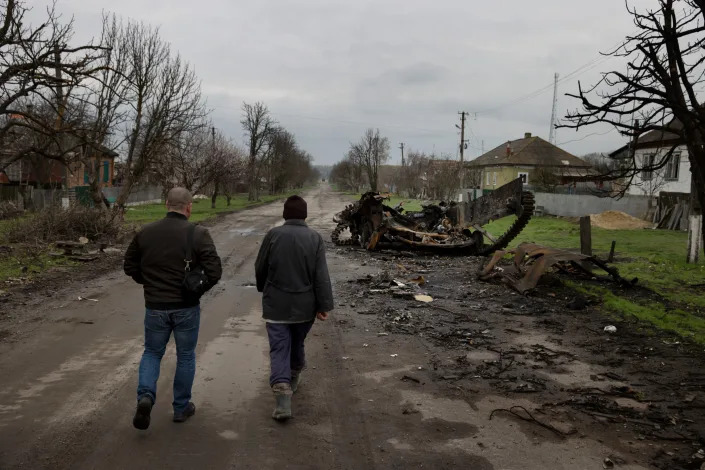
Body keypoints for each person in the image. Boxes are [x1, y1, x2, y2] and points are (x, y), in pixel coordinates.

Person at [124, 187, 222, 430]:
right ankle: (180, 408)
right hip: (186, 307)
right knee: (185, 355)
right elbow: (215, 271)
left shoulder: (145, 232)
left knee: (152, 353)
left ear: (166, 203)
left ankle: (145, 397)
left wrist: (148, 282)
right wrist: (196, 289)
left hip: (155, 306)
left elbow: (129, 266)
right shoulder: (199, 234)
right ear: (189, 207)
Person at [255, 195, 334, 421]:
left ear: (285, 215)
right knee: (297, 342)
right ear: (305, 215)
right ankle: (293, 374)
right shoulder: (314, 238)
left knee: (280, 347)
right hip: (304, 307)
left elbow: (260, 267)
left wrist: (264, 288)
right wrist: (323, 305)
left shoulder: (273, 235)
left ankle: (283, 398)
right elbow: (321, 276)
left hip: (276, 306)